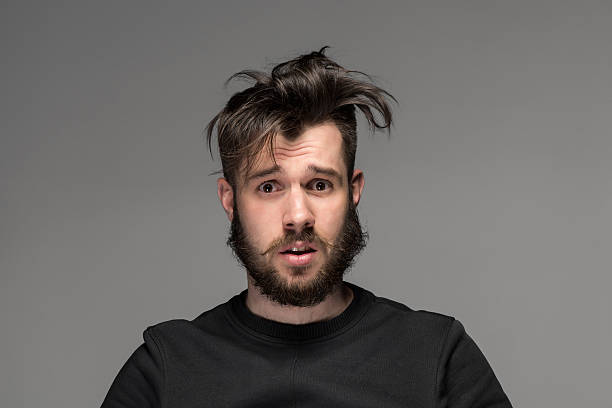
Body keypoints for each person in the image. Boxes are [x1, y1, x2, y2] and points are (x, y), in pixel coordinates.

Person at [100, 47, 513, 407]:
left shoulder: (436, 355)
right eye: (268, 186)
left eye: (319, 184)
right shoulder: (167, 367)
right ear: (230, 201)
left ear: (352, 192)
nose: (298, 215)